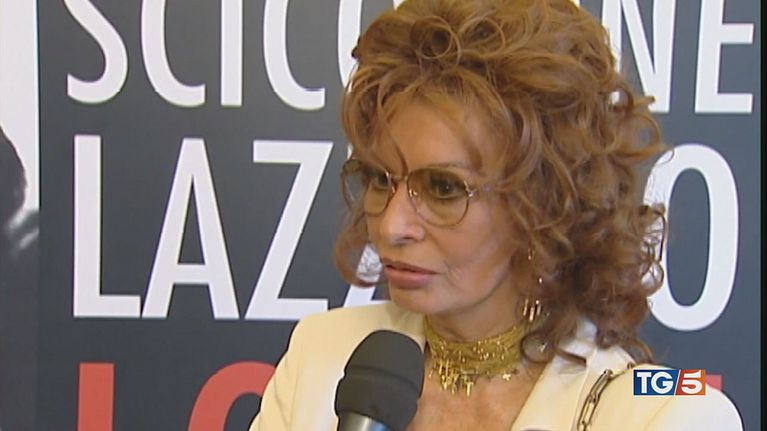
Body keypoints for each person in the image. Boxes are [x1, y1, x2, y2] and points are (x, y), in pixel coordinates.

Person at [250, 0, 743, 429]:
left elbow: (684, 398)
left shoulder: (663, 406)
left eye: (443, 188)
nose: (391, 227)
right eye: (380, 179)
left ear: (544, 204)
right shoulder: (320, 352)